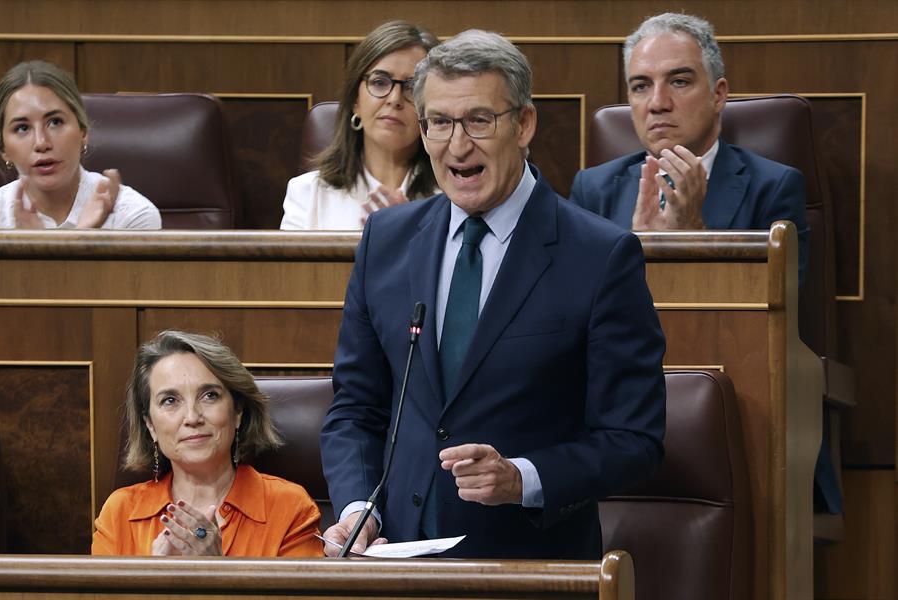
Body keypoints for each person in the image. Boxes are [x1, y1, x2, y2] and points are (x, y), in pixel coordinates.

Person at [320, 30, 665, 559]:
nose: (458, 146)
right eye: (439, 122)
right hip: (395, 564)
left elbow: (634, 439)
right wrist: (356, 508)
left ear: (524, 124)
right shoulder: (385, 242)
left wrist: (522, 478)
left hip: (528, 567)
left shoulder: (600, 256)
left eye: (479, 120)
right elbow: (355, 409)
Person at [569, 13, 809, 285]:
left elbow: (772, 312)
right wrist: (638, 256)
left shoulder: (773, 188)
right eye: (641, 86)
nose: (657, 103)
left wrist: (691, 236)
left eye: (679, 81)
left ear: (718, 95)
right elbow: (572, 304)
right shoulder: (593, 190)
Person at [92, 330, 323, 557]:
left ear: (238, 411)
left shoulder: (290, 508)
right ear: (151, 425)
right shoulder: (120, 513)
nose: (192, 417)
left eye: (209, 395)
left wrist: (215, 573)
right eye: (170, 400)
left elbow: (301, 596)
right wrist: (158, 579)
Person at [280, 20, 438, 230]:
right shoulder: (308, 194)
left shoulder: (453, 197)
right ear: (355, 100)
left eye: (411, 87)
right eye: (379, 82)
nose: (394, 99)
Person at [0, 60, 161, 229]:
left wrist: (83, 237)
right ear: (3, 149)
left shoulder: (133, 215)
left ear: (83, 131)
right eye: (22, 128)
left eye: (55, 122)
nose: (41, 143)